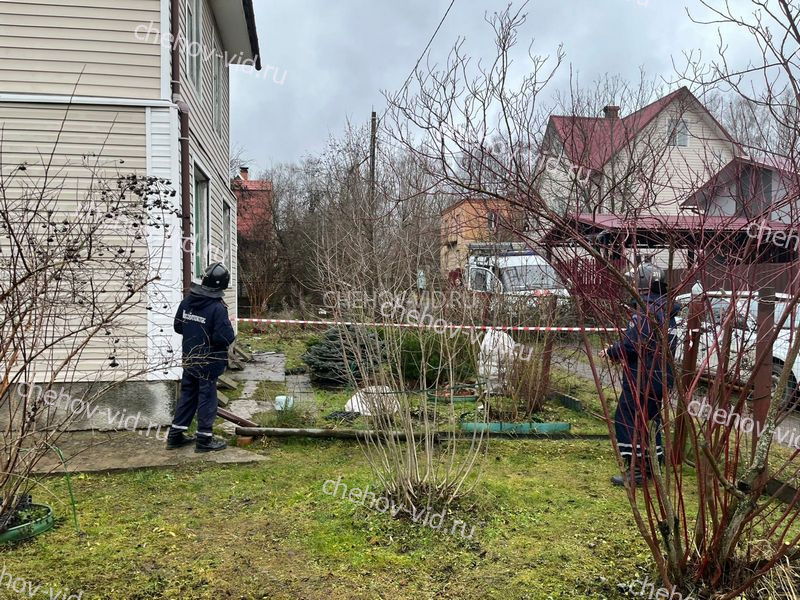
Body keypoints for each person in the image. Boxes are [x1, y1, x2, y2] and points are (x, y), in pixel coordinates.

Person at [601, 262, 680, 486]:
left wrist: (612, 351)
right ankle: (653, 465)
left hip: (642, 377)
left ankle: (637, 470)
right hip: (660, 377)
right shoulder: (667, 311)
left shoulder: (646, 311)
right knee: (650, 421)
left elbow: (633, 343)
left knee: (628, 418)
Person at [166, 262, 236, 452]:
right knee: (207, 398)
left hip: (189, 358)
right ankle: (204, 440)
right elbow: (224, 337)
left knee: (188, 396)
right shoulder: (217, 308)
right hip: (209, 362)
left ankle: (175, 436)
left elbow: (178, 326)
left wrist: (195, 332)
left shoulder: (188, 301)